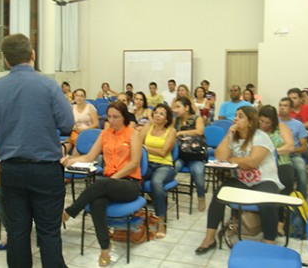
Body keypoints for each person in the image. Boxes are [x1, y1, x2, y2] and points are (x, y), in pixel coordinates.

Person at [0, 33, 74, 268]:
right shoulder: (48, 85)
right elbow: (66, 124)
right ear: (32, 54)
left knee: (17, 233)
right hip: (45, 171)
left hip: (11, 170)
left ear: (6, 60)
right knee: (48, 234)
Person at [61, 101, 142, 267]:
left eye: (116, 117)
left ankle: (69, 212)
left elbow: (134, 163)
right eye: (109, 117)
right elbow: (89, 157)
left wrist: (115, 178)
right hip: (108, 184)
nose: (111, 120)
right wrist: (70, 160)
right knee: (97, 203)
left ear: (124, 117)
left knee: (102, 183)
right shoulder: (105, 133)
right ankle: (105, 248)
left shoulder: (132, 133)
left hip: (129, 183)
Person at [195, 106, 282, 255]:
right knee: (218, 196)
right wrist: (229, 133)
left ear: (250, 121)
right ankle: (209, 238)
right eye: (235, 115)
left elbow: (252, 162)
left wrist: (231, 159)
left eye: (240, 116)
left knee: (268, 203)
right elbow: (219, 156)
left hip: (265, 180)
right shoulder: (234, 136)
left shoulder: (260, 136)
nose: (235, 118)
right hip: (242, 181)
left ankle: (270, 244)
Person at [140, 103, 176, 238]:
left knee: (156, 183)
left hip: (164, 166)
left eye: (161, 113)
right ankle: (137, 216)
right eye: (156, 112)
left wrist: (145, 148)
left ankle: (161, 221)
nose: (157, 115)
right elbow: (137, 143)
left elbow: (163, 152)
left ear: (167, 119)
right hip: (147, 164)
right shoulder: (147, 127)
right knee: (133, 179)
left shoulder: (171, 131)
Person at [258, 105, 295, 235]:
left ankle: (280, 222)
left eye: (267, 123)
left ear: (273, 121)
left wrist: (271, 152)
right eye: (261, 121)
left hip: (281, 162)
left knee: (285, 180)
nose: (264, 125)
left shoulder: (281, 128)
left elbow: (290, 146)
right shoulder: (255, 129)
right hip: (261, 164)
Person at [173, 97, 207, 212]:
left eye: (178, 107)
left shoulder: (197, 119)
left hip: (195, 155)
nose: (175, 110)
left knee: (198, 172)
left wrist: (181, 132)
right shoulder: (176, 120)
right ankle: (165, 192)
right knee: (172, 167)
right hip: (181, 155)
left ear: (187, 108)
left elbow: (199, 131)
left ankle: (201, 197)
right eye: (175, 107)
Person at [278, 97, 308, 198]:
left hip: (293, 154)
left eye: (285, 106)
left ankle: (301, 198)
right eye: (280, 105)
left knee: (301, 168)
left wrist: (290, 150)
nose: (282, 108)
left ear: (291, 109)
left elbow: (304, 147)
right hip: (276, 155)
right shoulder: (273, 122)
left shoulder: (298, 125)